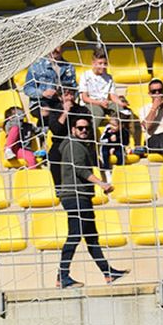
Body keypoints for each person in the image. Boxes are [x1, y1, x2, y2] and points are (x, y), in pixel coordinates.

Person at [50, 114, 126, 289]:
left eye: (86, 128)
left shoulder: (78, 145)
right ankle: (62, 276)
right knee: (75, 234)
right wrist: (101, 184)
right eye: (80, 128)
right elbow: (81, 170)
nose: (84, 131)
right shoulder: (74, 145)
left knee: (91, 236)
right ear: (73, 130)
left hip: (81, 195)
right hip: (75, 196)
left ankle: (108, 272)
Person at [78, 49, 140, 148]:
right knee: (96, 115)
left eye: (105, 63)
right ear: (93, 63)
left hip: (106, 103)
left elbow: (112, 96)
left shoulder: (109, 77)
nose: (103, 66)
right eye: (100, 63)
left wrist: (121, 103)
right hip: (92, 103)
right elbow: (85, 98)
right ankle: (89, 143)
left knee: (125, 112)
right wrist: (99, 103)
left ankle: (127, 142)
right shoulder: (85, 76)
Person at [23, 46, 77, 119]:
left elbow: (74, 88)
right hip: (40, 102)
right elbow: (27, 89)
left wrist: (68, 98)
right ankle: (43, 129)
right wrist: (42, 93)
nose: (54, 49)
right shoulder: (36, 66)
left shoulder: (69, 67)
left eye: (57, 45)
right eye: (52, 45)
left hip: (60, 102)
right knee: (47, 112)